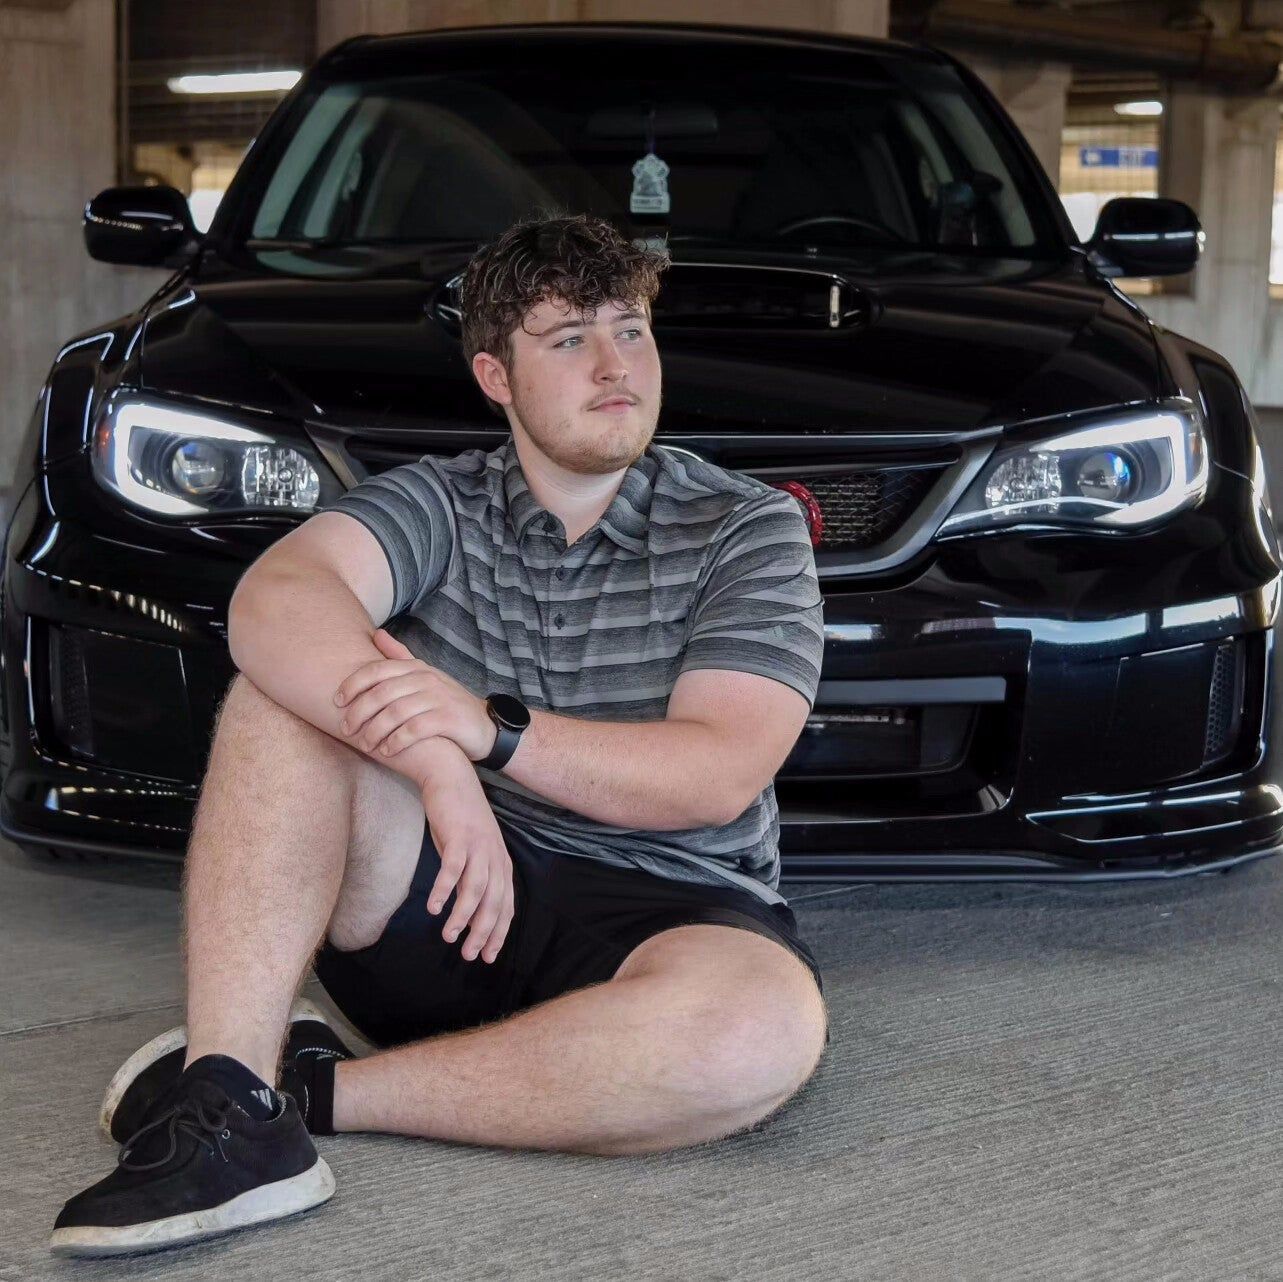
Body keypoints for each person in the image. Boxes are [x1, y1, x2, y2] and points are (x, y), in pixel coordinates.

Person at [50, 211, 830, 1258]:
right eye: (567, 340)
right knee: (282, 699)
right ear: (495, 377)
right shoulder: (442, 502)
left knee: (759, 1031)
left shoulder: (744, 525)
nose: (614, 366)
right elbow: (275, 602)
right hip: (447, 894)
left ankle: (297, 1095)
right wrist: (436, 763)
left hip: (675, 906)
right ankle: (225, 1101)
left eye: (630, 330)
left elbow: (715, 772)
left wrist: (488, 731)